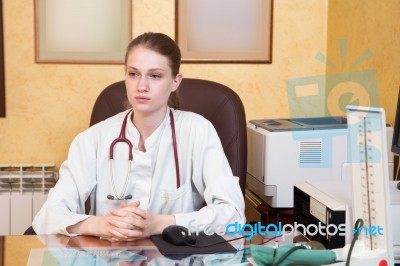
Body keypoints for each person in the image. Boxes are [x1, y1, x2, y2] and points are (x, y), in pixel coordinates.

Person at [32, 32, 245, 241]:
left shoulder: (198, 131)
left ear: (175, 81)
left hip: (176, 259)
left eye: (155, 75)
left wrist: (158, 224)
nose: (141, 86)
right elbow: (47, 216)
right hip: (109, 256)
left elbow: (233, 215)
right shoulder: (93, 139)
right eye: (133, 74)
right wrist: (103, 225)